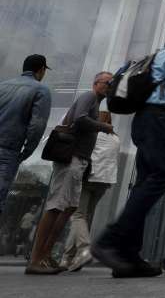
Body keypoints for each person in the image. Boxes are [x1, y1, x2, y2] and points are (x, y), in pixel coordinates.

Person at [92, 32, 165, 278]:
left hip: (144, 119)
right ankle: (111, 240)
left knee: (145, 181)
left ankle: (128, 256)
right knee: (161, 178)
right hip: (156, 119)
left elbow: (164, 86)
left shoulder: (160, 54)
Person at [26, 71, 114, 275]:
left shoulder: (96, 102)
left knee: (69, 207)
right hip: (71, 157)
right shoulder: (89, 96)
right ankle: (36, 259)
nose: (110, 86)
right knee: (56, 205)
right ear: (96, 83)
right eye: (108, 82)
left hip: (79, 160)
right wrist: (103, 126)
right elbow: (79, 119)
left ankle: (46, 256)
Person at [60, 110, 121, 272]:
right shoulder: (116, 139)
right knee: (84, 218)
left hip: (88, 178)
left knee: (77, 215)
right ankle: (68, 259)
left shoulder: (93, 135)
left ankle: (85, 249)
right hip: (104, 181)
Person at [0, 55, 52, 216]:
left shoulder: (3, 85)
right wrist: (27, 151)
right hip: (8, 151)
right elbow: (37, 125)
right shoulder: (41, 90)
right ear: (42, 70)